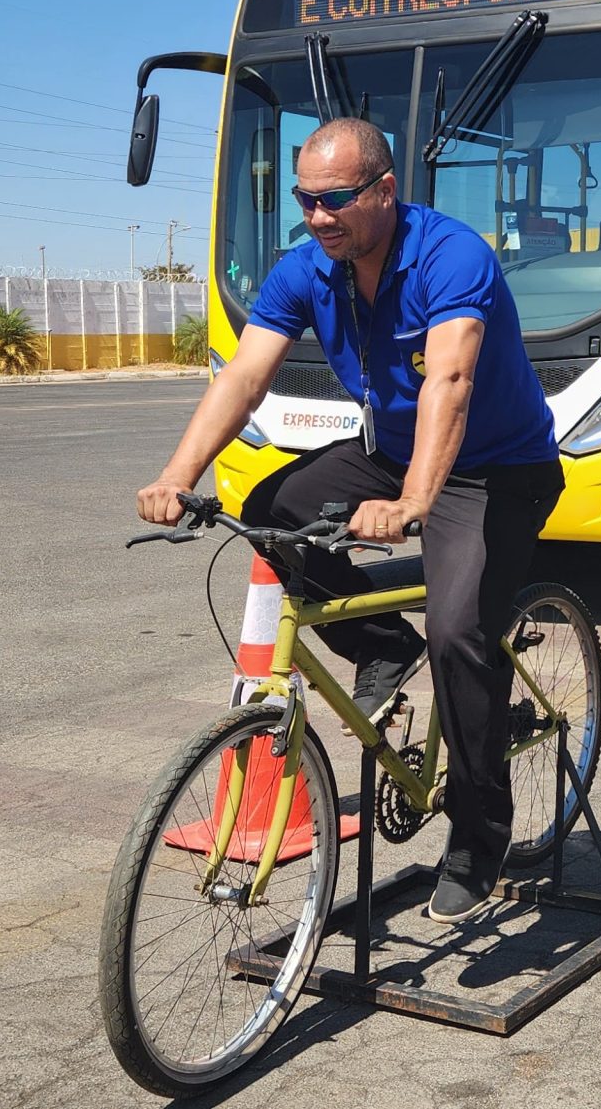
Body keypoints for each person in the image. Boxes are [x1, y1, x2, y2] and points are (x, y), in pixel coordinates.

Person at [136, 118, 563, 924]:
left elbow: (452, 380)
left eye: (334, 199)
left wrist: (413, 503)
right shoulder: (307, 270)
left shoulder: (450, 254)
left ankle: (478, 835)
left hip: (499, 467)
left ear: (384, 190)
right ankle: (380, 643)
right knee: (271, 511)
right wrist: (177, 475)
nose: (317, 216)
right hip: (396, 450)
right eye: (306, 199)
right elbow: (246, 377)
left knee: (461, 627)